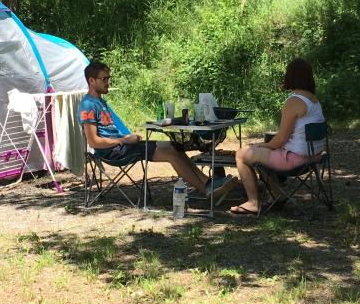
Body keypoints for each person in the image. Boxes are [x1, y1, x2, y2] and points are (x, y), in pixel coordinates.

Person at [80, 61, 231, 196]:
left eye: (108, 78)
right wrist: (123, 139)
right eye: (104, 79)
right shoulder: (88, 105)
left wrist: (126, 139)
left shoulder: (100, 102)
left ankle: (208, 182)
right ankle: (206, 190)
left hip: (121, 146)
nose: (108, 82)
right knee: (170, 153)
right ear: (91, 81)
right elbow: (94, 142)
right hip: (113, 152)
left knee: (175, 146)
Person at [229, 58, 325, 215]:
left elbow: (281, 139)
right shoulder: (313, 100)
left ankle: (253, 202)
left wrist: (261, 145)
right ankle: (278, 195)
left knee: (241, 154)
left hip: (295, 159)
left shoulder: (294, 101)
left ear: (290, 76)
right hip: (314, 156)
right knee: (262, 155)